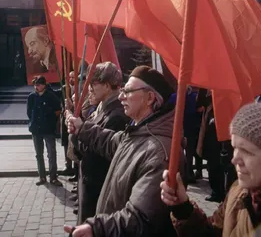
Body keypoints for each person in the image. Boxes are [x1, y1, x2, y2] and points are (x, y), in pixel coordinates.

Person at [64, 65, 185, 237]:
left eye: (128, 91)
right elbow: (111, 141)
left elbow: (141, 217)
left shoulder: (159, 151)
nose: (121, 96)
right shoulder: (140, 132)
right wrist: (81, 128)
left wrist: (97, 228)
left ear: (150, 98)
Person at [160, 102, 261, 236]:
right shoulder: (237, 193)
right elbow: (211, 232)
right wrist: (182, 207)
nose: (234, 160)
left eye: (247, 151)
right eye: (235, 148)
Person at [72, 62, 129, 224]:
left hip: (100, 189)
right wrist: (77, 131)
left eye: (93, 83)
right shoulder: (100, 108)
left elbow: (96, 154)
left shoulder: (117, 115)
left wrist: (79, 133)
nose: (89, 88)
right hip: (90, 187)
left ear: (107, 85)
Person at [27, 75, 62, 186]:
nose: (37, 87)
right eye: (35, 85)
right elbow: (29, 112)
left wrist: (50, 119)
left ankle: (53, 177)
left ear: (44, 85)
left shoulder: (51, 96)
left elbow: (58, 110)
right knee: (39, 154)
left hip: (48, 129)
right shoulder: (31, 97)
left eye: (39, 85)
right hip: (36, 129)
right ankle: (42, 176)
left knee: (51, 153)